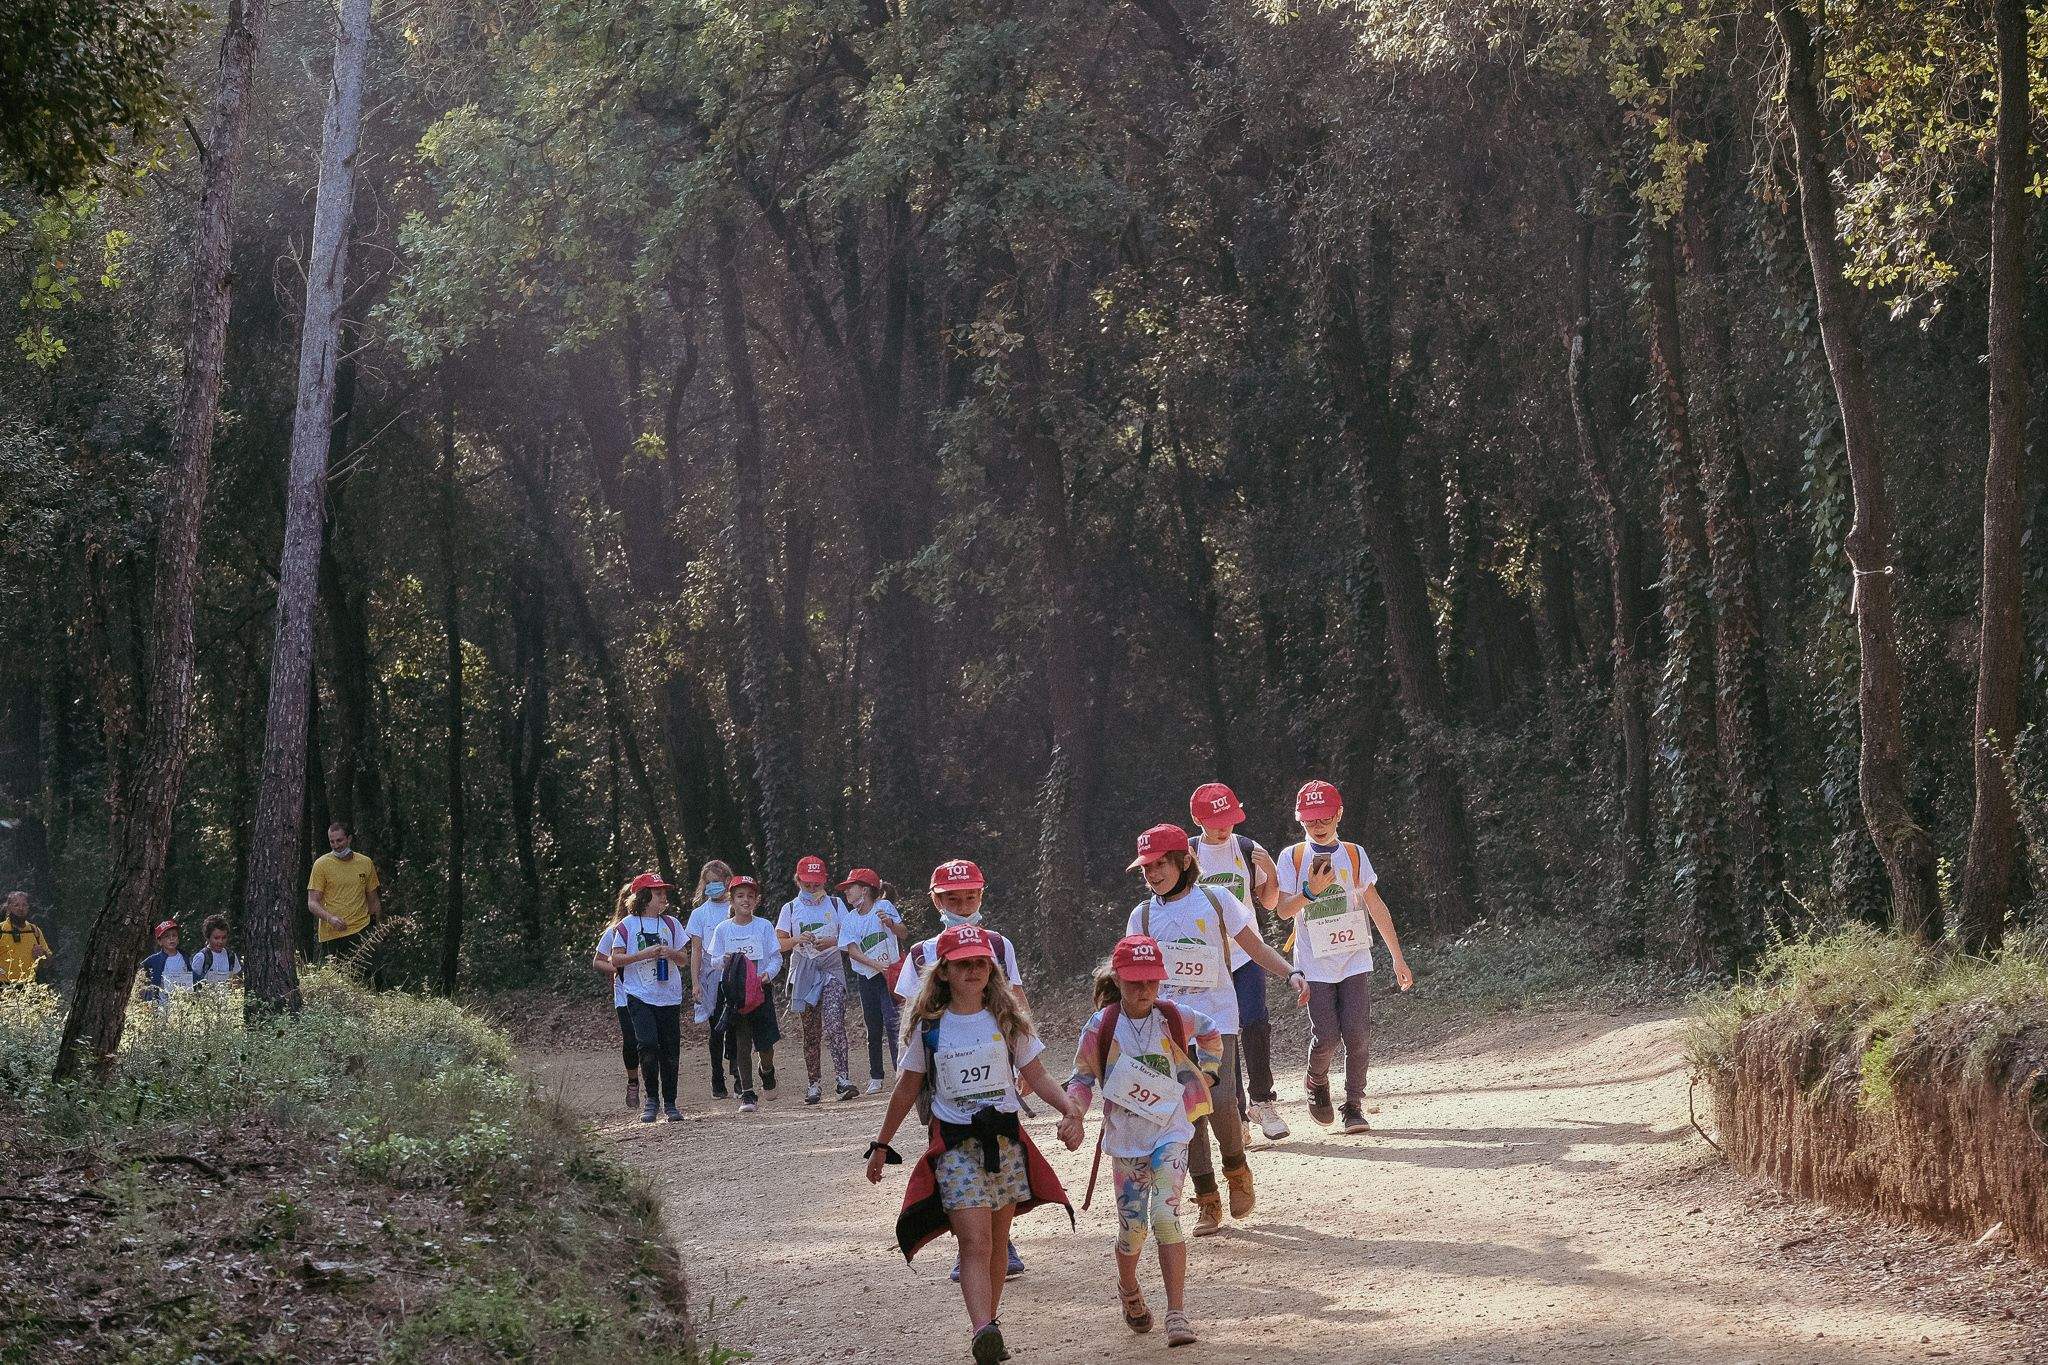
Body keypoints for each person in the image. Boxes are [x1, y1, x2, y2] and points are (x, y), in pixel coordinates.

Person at [864, 924, 1084, 1365]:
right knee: (974, 1241)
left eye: (981, 962)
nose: (974, 971)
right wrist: (881, 1145)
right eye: (964, 964)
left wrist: (1070, 1109)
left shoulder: (1008, 1020)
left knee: (999, 1238)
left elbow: (1037, 1075)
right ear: (943, 972)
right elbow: (906, 1090)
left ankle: (991, 1322)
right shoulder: (930, 1028)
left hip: (1003, 1143)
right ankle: (982, 1328)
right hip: (957, 1149)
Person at [1124, 822, 1306, 1236]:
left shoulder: (1216, 899)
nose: (1152, 874)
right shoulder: (1144, 915)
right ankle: (1207, 1198)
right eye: (1146, 868)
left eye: (1160, 865)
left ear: (1184, 862)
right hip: (1168, 1030)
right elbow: (1133, 974)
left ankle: (1237, 1168)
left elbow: (1254, 946)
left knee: (1222, 1099)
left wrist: (1290, 972)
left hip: (1216, 1020)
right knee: (1187, 1114)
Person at [1066, 935, 1224, 1347]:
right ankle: (1129, 1288)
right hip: (1125, 1142)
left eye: (1151, 982)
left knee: (1167, 1217)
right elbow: (1082, 1078)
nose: (1143, 991)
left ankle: (1177, 1313)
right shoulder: (1100, 1027)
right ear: (1118, 979)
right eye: (1135, 982)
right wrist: (1075, 1115)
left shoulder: (1172, 1016)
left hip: (1170, 1133)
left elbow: (1210, 1031)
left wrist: (1207, 1074)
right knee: (1133, 1228)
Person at [893, 858, 1031, 1281]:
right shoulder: (921, 953)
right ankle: (968, 1242)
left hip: (993, 1067)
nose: (964, 903)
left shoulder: (999, 945)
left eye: (971, 895)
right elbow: (909, 1015)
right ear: (937, 900)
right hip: (938, 1075)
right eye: (953, 897)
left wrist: (1025, 1060)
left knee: (998, 1142)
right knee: (950, 1149)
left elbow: (1018, 1001)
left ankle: (998, 1241)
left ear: (982, 895)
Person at [1273, 780, 1415, 1134]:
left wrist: (1397, 957)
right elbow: (1283, 911)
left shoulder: (1354, 854)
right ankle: (1315, 1081)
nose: (1317, 826)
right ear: (1299, 819)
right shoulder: (1292, 856)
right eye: (1309, 820)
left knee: (1358, 1034)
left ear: (1338, 815)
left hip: (1353, 959)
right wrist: (1311, 891)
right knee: (1327, 1036)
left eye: (1323, 818)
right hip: (1315, 963)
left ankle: (1354, 1105)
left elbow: (1375, 904)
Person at [1188, 782, 1289, 1142]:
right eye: (1216, 820)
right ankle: (1235, 1112)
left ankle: (1264, 1102)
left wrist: (1272, 874)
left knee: (1255, 1023)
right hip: (1205, 961)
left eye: (1229, 818)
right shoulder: (1186, 854)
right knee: (1219, 1036)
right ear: (1198, 819)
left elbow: (1269, 902)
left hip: (1247, 953)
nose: (1224, 826)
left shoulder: (1248, 849)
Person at [605, 872, 688, 1124]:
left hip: (669, 996)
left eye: (664, 891)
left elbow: (684, 959)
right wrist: (643, 954)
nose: (663, 896)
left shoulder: (672, 923)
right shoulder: (626, 926)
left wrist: (670, 952)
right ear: (643, 896)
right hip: (639, 994)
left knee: (670, 1049)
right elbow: (615, 959)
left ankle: (671, 1102)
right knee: (648, 1044)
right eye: (658, 892)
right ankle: (651, 1100)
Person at [776, 854, 856, 1104]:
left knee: (834, 1022)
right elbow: (778, 944)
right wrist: (798, 940)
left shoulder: (835, 903)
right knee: (811, 1030)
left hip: (831, 966)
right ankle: (814, 1084)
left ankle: (843, 1079)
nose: (812, 889)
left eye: (816, 884)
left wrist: (831, 941)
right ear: (798, 880)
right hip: (804, 969)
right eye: (807, 884)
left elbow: (849, 933)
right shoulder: (789, 908)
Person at [707, 875, 783, 1113]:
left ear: (756, 900)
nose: (745, 900)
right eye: (740, 896)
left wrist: (766, 975)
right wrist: (726, 960)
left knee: (766, 1043)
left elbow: (776, 957)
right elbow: (713, 960)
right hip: (736, 993)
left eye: (750, 896)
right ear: (731, 899)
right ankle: (748, 1093)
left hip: (760, 990)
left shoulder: (764, 926)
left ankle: (767, 1070)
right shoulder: (723, 929)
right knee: (741, 1041)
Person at [837, 867, 903, 1094]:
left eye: (850, 888)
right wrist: (876, 966)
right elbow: (852, 950)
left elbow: (904, 933)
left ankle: (900, 1073)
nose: (846, 892)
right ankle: (876, 1076)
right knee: (873, 1026)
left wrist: (891, 924)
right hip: (868, 977)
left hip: (891, 976)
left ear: (864, 890)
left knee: (894, 1023)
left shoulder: (884, 907)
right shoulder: (849, 919)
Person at [685, 860, 736, 1099]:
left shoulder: (735, 908)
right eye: (709, 882)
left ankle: (738, 1073)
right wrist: (695, 982)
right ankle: (717, 1075)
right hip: (710, 978)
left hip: (735, 975)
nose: (713, 886)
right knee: (716, 1028)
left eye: (717, 882)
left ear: (727, 881)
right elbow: (696, 950)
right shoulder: (699, 914)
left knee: (737, 1026)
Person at [593, 881, 641, 1111]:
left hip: (650, 993)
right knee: (631, 1041)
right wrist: (619, 968)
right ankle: (633, 1081)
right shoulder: (613, 931)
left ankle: (656, 1087)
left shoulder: (651, 926)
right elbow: (598, 961)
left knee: (651, 1042)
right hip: (624, 995)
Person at [306, 821, 382, 959]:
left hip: (362, 929)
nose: (336, 846)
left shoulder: (365, 863)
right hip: (334, 934)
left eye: (339, 840)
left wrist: (377, 929)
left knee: (371, 978)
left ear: (349, 839)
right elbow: (312, 902)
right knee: (341, 979)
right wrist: (330, 918)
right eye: (332, 842)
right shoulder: (321, 865)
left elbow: (373, 900)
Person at [0, 891, 52, 986]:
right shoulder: (1, 930)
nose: (21, 908)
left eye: (24, 905)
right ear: (9, 908)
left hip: (30, 987)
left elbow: (48, 962)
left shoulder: (34, 930)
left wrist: (42, 955)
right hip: (4, 988)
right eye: (16, 905)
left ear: (28, 907)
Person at [138, 919, 193, 1005]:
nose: (171, 939)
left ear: (178, 939)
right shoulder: (153, 960)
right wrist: (144, 996)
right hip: (162, 1007)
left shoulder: (185, 957)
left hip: (183, 1005)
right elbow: (138, 974)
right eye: (167, 936)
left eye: (174, 935)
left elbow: (191, 977)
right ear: (159, 941)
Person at [188, 914, 241, 990]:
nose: (220, 941)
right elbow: (193, 984)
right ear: (208, 937)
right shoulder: (201, 957)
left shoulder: (231, 956)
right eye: (216, 938)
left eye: (224, 937)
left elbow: (237, 983)